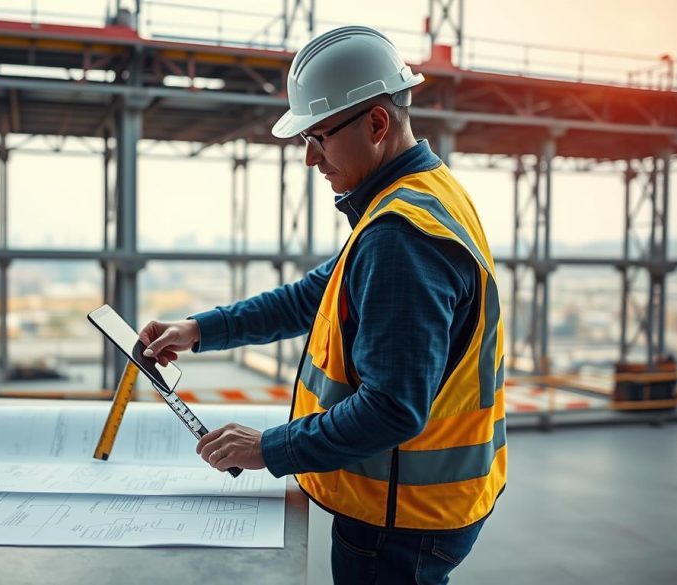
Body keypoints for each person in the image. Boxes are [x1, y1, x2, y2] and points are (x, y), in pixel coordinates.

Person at [138, 25, 506, 585]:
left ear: (377, 123)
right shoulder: (421, 194)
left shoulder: (400, 236)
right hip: (420, 507)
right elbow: (316, 296)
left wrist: (268, 448)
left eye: (320, 137)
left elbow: (392, 409)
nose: (310, 158)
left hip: (397, 523)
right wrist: (198, 330)